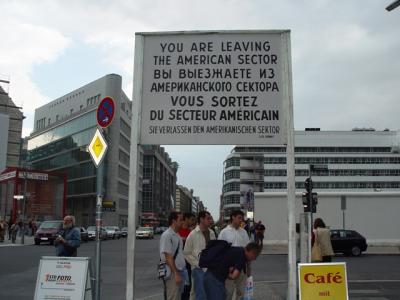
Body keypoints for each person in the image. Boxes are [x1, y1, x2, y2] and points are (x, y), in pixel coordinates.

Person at [184, 211, 216, 300]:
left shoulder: (212, 233)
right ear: (201, 219)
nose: (210, 220)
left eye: (210, 218)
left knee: (209, 292)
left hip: (210, 268)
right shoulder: (193, 234)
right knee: (201, 294)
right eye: (208, 218)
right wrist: (198, 264)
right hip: (198, 269)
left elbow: (214, 250)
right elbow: (186, 253)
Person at [218, 210, 250, 300]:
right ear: (233, 217)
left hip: (242, 267)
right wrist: (225, 267)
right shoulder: (224, 232)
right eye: (239, 218)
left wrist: (248, 267)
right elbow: (220, 251)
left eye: (242, 218)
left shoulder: (244, 232)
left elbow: (247, 249)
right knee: (228, 292)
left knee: (241, 293)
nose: (241, 220)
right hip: (229, 268)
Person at [160, 212, 188, 300]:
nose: (182, 222)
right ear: (173, 221)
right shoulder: (167, 235)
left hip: (179, 271)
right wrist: (176, 273)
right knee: (173, 297)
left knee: (178, 296)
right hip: (172, 272)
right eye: (180, 220)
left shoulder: (176, 235)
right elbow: (168, 257)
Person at [179, 213, 196, 300]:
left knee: (188, 285)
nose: (193, 222)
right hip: (179, 263)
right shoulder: (177, 230)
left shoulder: (192, 232)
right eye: (192, 219)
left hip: (189, 263)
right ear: (186, 219)